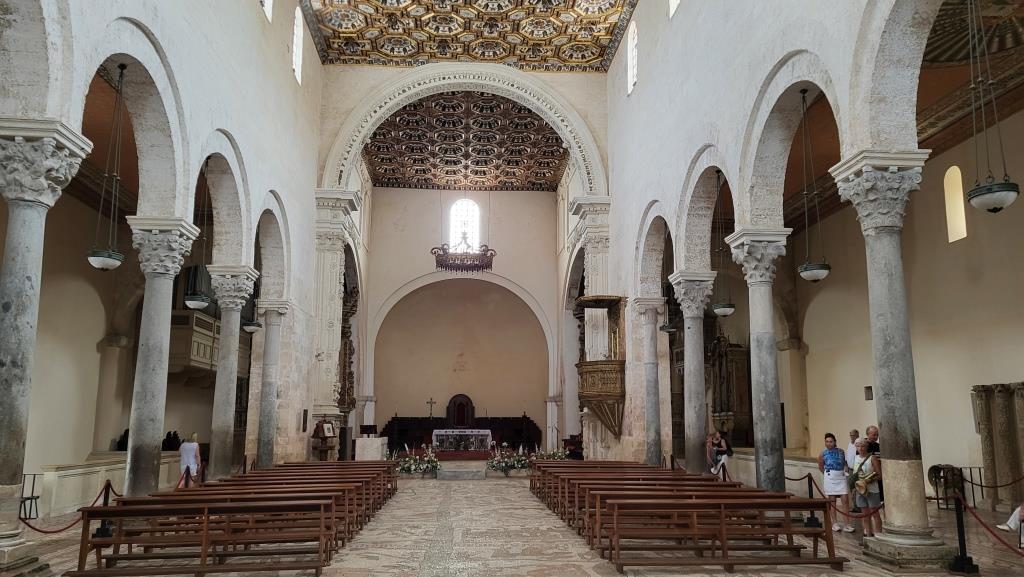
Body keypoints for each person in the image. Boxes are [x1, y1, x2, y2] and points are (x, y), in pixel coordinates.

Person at [818, 433, 854, 532]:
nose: (829, 443)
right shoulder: (823, 453)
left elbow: (844, 463)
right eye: (827, 441)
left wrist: (845, 468)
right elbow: (820, 465)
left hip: (841, 477)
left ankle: (847, 524)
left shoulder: (841, 451)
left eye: (831, 441)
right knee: (832, 501)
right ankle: (835, 523)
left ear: (834, 442)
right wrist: (827, 474)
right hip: (830, 477)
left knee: (845, 500)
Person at [852, 438, 883, 540]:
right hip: (860, 490)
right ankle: (868, 536)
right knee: (865, 514)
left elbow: (879, 475)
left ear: (866, 447)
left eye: (863, 446)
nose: (860, 448)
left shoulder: (872, 458)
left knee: (874, 513)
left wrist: (868, 480)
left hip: (871, 489)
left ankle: (878, 536)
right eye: (858, 446)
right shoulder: (855, 458)